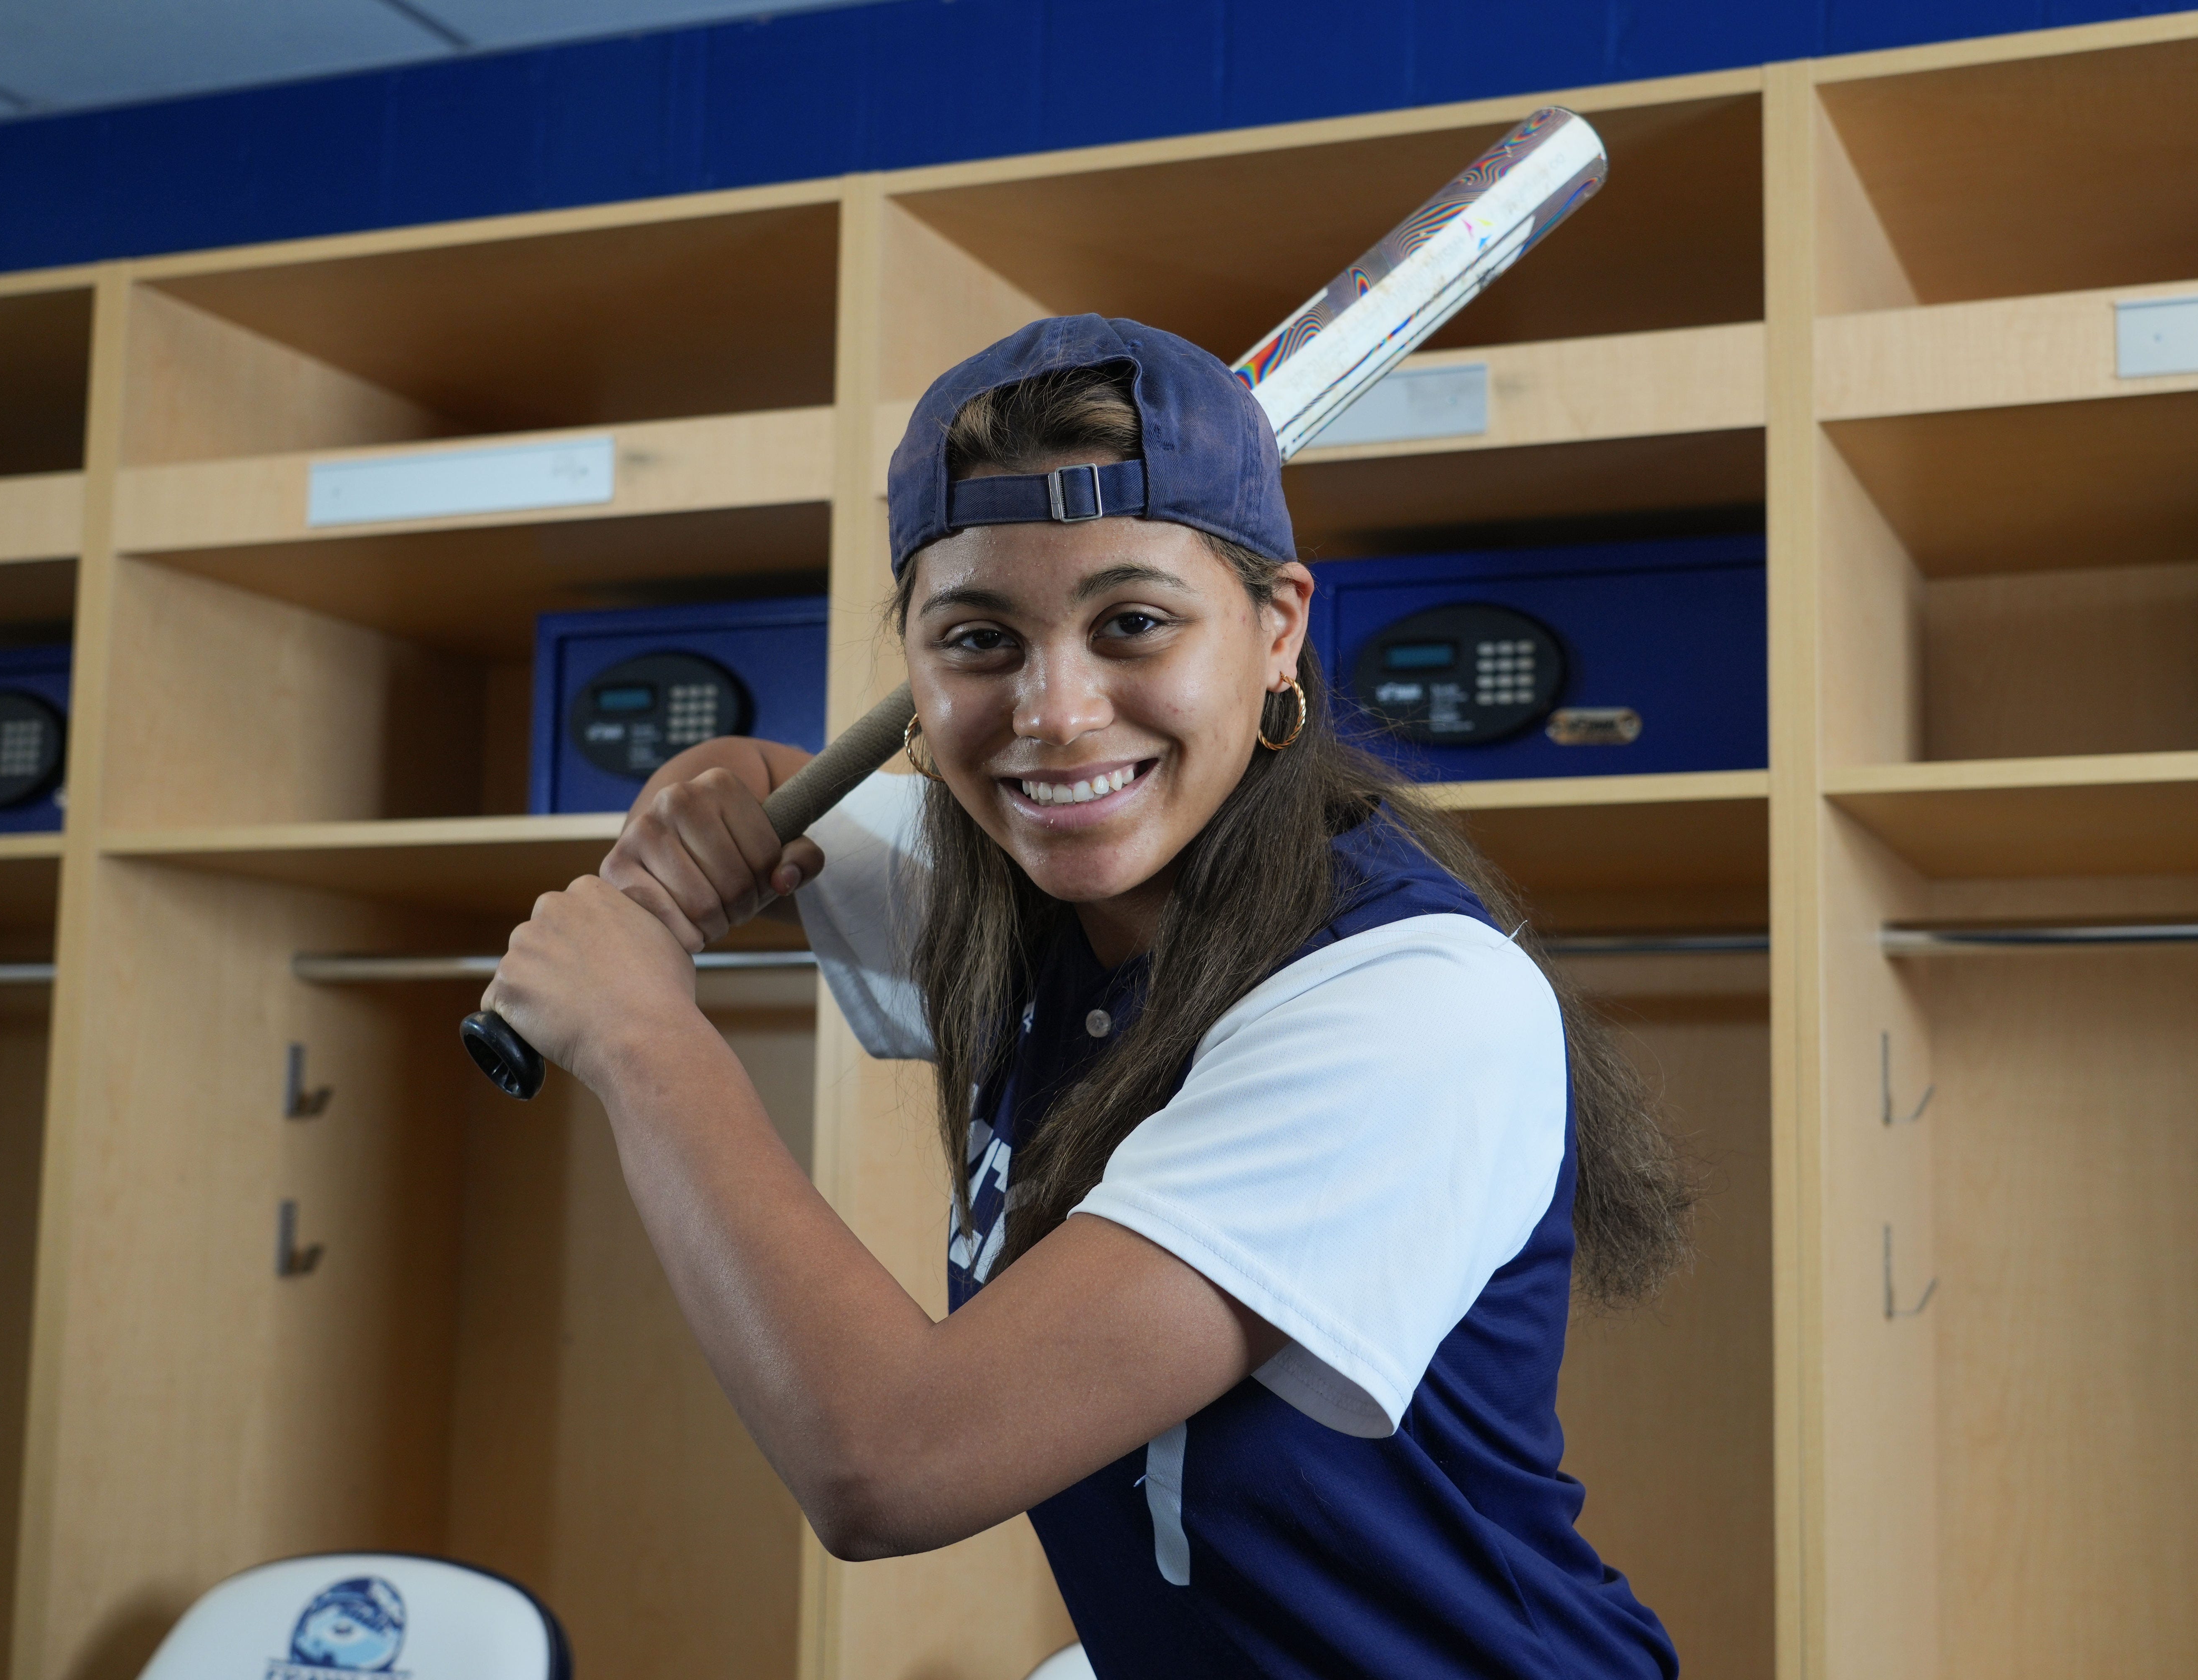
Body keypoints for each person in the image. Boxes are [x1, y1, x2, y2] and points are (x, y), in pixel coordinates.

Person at [481, 315, 1693, 1677]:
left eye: (1131, 623)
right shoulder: (1049, 894)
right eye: (981, 640)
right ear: (918, 669)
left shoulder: (1411, 1005)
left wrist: (645, 1041)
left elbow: (893, 1460)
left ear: (1276, 627)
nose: (1056, 711)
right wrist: (711, 781)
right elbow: (777, 804)